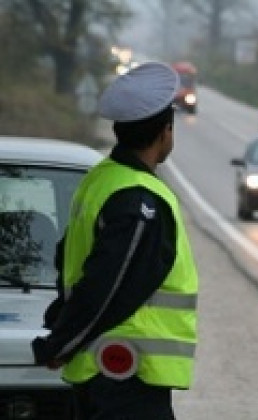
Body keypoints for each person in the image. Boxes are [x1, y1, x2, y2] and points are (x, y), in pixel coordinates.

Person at [31, 61, 199, 419]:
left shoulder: (101, 179)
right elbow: (109, 284)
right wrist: (61, 342)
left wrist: (64, 325)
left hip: (103, 373)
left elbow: (69, 258)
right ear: (165, 133)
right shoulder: (140, 198)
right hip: (124, 373)